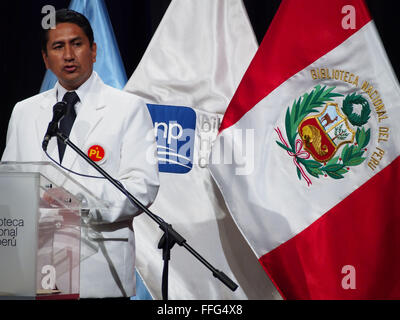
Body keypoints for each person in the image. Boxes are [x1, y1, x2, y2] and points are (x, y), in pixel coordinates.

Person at [1, 9, 159, 298]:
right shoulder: (24, 112)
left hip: (98, 271)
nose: (69, 55)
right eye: (58, 47)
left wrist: (74, 204)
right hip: (38, 271)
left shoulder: (128, 108)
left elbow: (142, 188)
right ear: (46, 59)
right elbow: (10, 184)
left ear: (94, 50)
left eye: (77, 44)